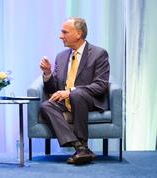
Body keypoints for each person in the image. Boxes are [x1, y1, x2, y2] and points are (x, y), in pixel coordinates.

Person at [39, 17, 110, 165]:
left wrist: (70, 91)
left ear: (78, 33)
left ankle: (82, 146)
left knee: (76, 94)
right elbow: (53, 88)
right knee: (46, 105)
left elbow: (101, 85)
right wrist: (47, 74)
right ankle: (80, 147)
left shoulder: (99, 54)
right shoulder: (61, 56)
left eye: (65, 32)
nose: (60, 36)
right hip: (66, 101)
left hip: (89, 100)